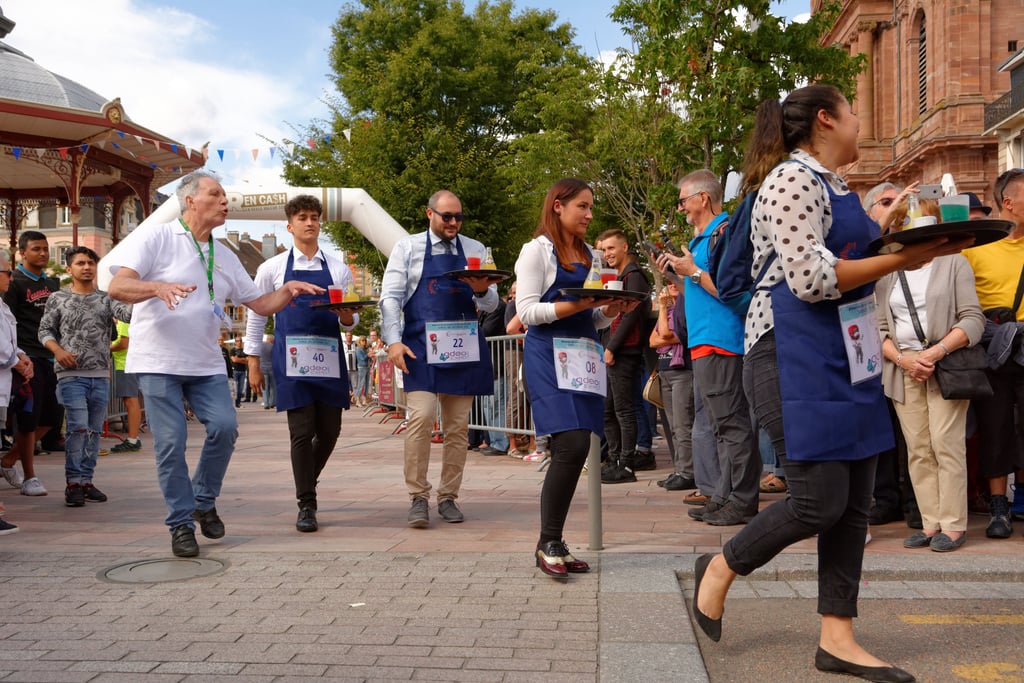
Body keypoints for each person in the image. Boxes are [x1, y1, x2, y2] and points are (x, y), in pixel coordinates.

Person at [688, 84, 968, 682]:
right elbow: (813, 280)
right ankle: (722, 566)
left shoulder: (840, 187)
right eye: (853, 111)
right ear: (825, 119)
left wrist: (882, 229)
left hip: (850, 349)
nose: (860, 121)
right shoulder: (791, 180)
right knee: (818, 500)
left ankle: (837, 637)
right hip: (792, 351)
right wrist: (900, 258)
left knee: (854, 504)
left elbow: (843, 262)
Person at [106, 170, 323, 557]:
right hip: (157, 361)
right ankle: (180, 524)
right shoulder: (156, 237)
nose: (226, 202)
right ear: (190, 200)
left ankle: (203, 499)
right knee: (171, 443)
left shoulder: (223, 254)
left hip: (205, 362)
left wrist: (287, 290)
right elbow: (117, 286)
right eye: (217, 194)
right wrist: (157, 287)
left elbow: (258, 303)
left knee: (224, 428)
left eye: (226, 196)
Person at [515, 178, 635, 578]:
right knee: (570, 443)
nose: (588, 214)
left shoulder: (590, 254)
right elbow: (527, 313)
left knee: (580, 444)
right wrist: (577, 304)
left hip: (582, 354)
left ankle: (553, 542)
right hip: (547, 356)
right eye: (581, 206)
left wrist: (611, 309)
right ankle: (549, 541)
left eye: (590, 207)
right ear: (557, 207)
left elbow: (592, 316)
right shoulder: (535, 252)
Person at [379, 190, 498, 527]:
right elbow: (391, 298)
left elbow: (491, 304)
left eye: (458, 216)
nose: (454, 223)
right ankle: (418, 496)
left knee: (458, 428)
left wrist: (480, 290)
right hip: (419, 345)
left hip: (463, 345)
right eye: (447, 216)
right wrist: (393, 341)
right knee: (421, 417)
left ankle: (448, 497)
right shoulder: (407, 247)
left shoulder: (476, 249)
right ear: (428, 214)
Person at [876, 199, 985, 552]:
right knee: (918, 449)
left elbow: (973, 319)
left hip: (945, 365)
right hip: (903, 368)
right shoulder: (888, 271)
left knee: (945, 443)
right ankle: (929, 523)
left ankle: (953, 525)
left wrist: (935, 352)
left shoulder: (954, 263)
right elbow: (878, 328)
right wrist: (904, 359)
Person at [246, 194, 358, 533]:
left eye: (314, 217)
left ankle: (306, 477)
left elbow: (349, 322)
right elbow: (257, 315)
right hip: (291, 359)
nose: (310, 223)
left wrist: (348, 316)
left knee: (330, 431)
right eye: (303, 217)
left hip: (328, 358)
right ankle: (306, 504)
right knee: (301, 432)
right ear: (289, 225)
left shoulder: (338, 268)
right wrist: (253, 361)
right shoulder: (272, 268)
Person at [659, 170, 760, 526]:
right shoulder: (704, 240)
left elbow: (731, 293)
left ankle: (743, 501)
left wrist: (694, 271)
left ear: (704, 198)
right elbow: (702, 293)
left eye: (684, 199)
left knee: (733, 426)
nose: (681, 206)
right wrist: (678, 273)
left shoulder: (724, 235)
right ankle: (723, 496)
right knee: (722, 426)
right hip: (705, 343)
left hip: (722, 343)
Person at [39, 246, 132, 507]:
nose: (87, 267)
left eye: (91, 262)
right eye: (80, 263)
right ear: (69, 269)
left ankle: (86, 480)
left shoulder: (106, 298)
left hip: (101, 374)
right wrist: (57, 351)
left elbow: (129, 315)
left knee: (93, 431)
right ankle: (73, 483)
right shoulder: (57, 298)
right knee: (77, 427)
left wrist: (142, 290)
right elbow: (45, 330)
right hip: (70, 375)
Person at [964, 167, 1024, 539]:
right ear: (1010, 202)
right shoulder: (977, 249)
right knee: (996, 427)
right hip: (995, 351)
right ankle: (998, 508)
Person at [0, 230, 62, 496]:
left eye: (46, 248)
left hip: (51, 358)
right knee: (27, 418)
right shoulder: (14, 285)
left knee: (52, 417)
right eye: (36, 249)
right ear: (22, 253)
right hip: (27, 359)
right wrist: (19, 357)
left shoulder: (55, 285)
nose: (43, 253)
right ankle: (30, 476)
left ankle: (9, 459)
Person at [597, 229, 653, 483]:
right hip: (613, 349)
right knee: (609, 409)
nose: (607, 253)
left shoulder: (635, 276)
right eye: (604, 249)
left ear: (624, 247)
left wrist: (612, 347)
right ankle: (614, 458)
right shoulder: (620, 276)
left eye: (611, 248)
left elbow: (631, 315)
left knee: (624, 409)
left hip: (624, 351)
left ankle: (627, 464)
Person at [649, 281, 696, 491]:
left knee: (683, 425)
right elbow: (653, 341)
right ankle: (680, 469)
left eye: (675, 281)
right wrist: (664, 310)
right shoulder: (668, 312)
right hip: (665, 370)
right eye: (668, 282)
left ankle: (688, 472)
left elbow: (666, 335)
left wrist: (661, 308)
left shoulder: (686, 310)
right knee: (673, 425)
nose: (671, 285)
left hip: (683, 371)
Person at [0, 250, 32, 532]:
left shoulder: (3, 306)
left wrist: (22, 356)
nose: (10, 277)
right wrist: (17, 362)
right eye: (6, 272)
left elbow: (10, 341)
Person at [109, 320, 144, 452]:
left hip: (126, 364)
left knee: (130, 400)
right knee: (129, 400)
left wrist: (107, 348)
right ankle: (133, 438)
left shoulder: (124, 321)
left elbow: (124, 343)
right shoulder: (123, 320)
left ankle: (133, 438)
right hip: (125, 364)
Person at [231, 335, 248, 408]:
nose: (239, 342)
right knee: (235, 388)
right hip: (235, 371)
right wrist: (242, 359)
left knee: (240, 389)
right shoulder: (233, 350)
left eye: (240, 340)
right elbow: (234, 360)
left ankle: (238, 403)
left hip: (243, 371)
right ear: (235, 342)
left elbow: (247, 361)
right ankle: (233, 403)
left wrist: (239, 359)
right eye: (238, 341)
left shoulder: (244, 350)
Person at [259, 334, 276, 410]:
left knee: (265, 387)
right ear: (271, 340)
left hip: (262, 368)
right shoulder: (272, 347)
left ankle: (266, 403)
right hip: (272, 368)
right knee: (273, 387)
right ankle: (273, 403)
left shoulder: (260, 346)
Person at [354, 337, 370, 406]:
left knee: (367, 384)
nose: (364, 342)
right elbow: (362, 358)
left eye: (365, 340)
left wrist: (369, 354)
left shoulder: (365, 349)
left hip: (367, 367)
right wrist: (368, 354)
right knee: (360, 384)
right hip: (361, 367)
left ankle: (365, 400)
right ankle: (357, 400)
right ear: (359, 342)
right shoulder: (358, 349)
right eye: (362, 340)